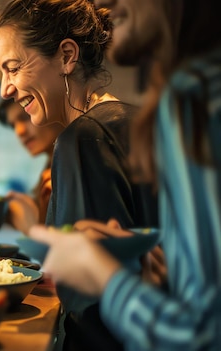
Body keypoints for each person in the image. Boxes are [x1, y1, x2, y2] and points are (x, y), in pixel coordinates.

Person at [29, 0, 221, 349]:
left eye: (12, 67)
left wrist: (103, 275)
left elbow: (200, 335)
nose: (99, 4)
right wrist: (161, 274)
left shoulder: (198, 99)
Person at [0, 1, 157, 350]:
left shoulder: (83, 138)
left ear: (67, 56)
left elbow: (89, 293)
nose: (4, 88)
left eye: (13, 68)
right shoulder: (135, 121)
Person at [0, 98, 63, 234]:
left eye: (26, 116)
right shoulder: (52, 166)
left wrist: (32, 229)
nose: (19, 132)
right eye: (13, 125)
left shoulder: (70, 167)